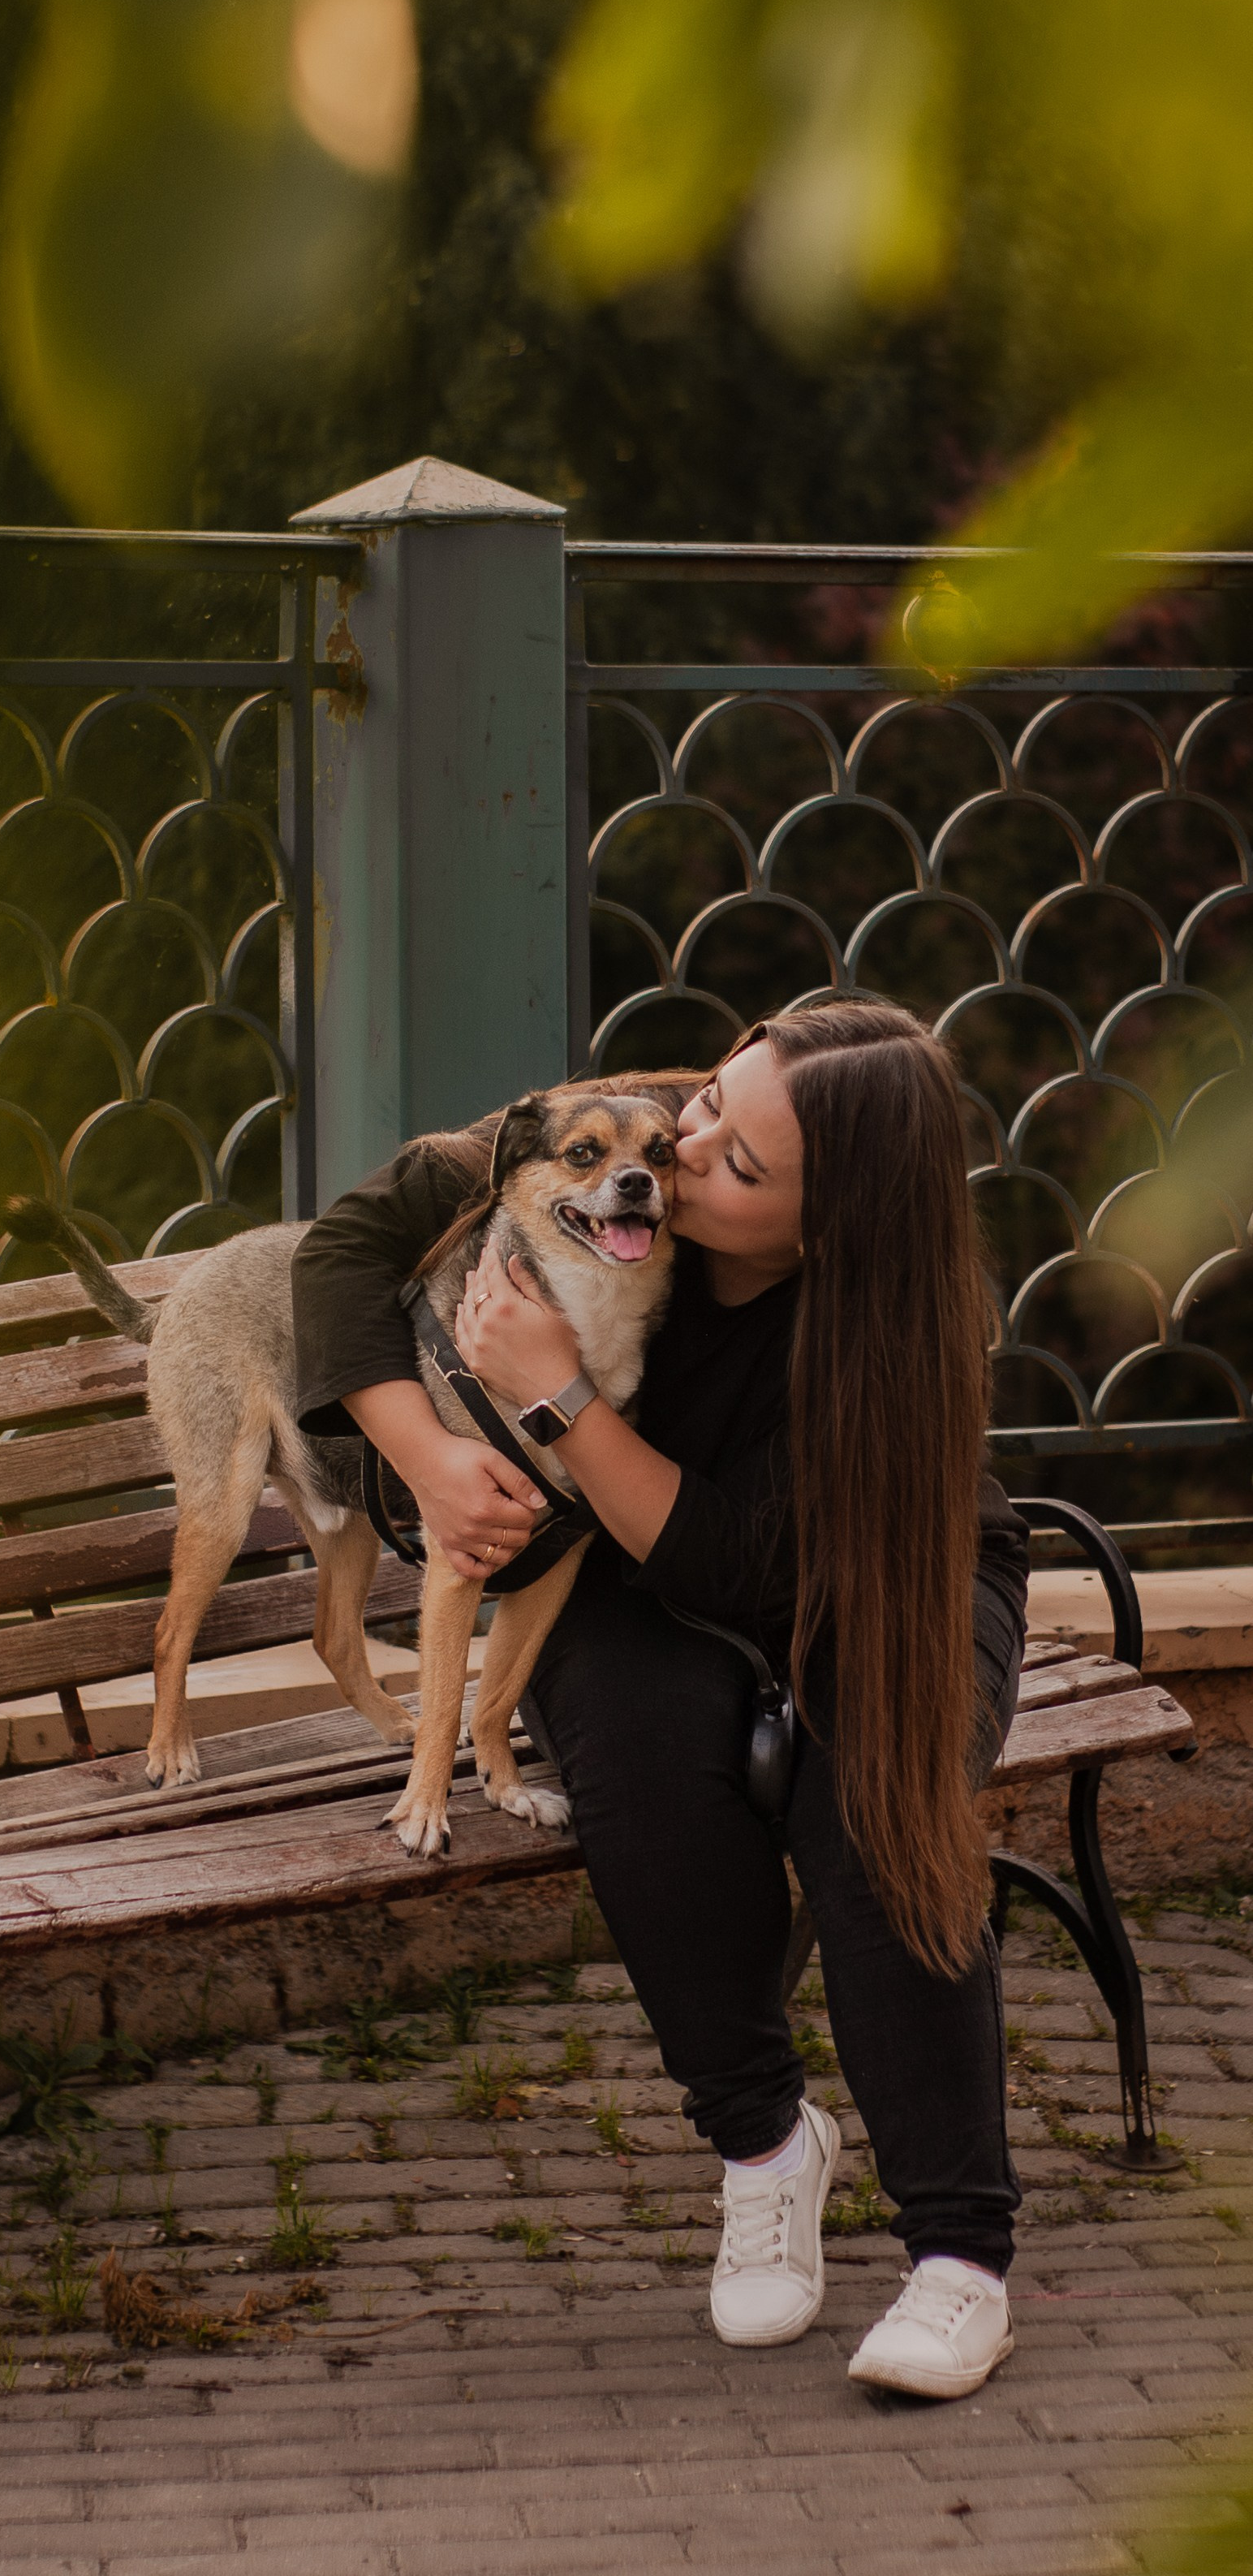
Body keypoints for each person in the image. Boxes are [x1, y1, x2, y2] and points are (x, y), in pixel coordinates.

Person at [290, 998, 1029, 2401]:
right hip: (621, 1571)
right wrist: (436, 1463)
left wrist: (558, 1394)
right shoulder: (615, 1139)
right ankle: (763, 2144)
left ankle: (959, 2258)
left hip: (879, 1579)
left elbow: (737, 1553)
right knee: (637, 1774)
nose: (682, 1160)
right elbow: (343, 1248)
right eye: (705, 1111)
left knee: (871, 1806)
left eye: (739, 1167)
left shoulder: (890, 1323)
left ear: (840, 1221)